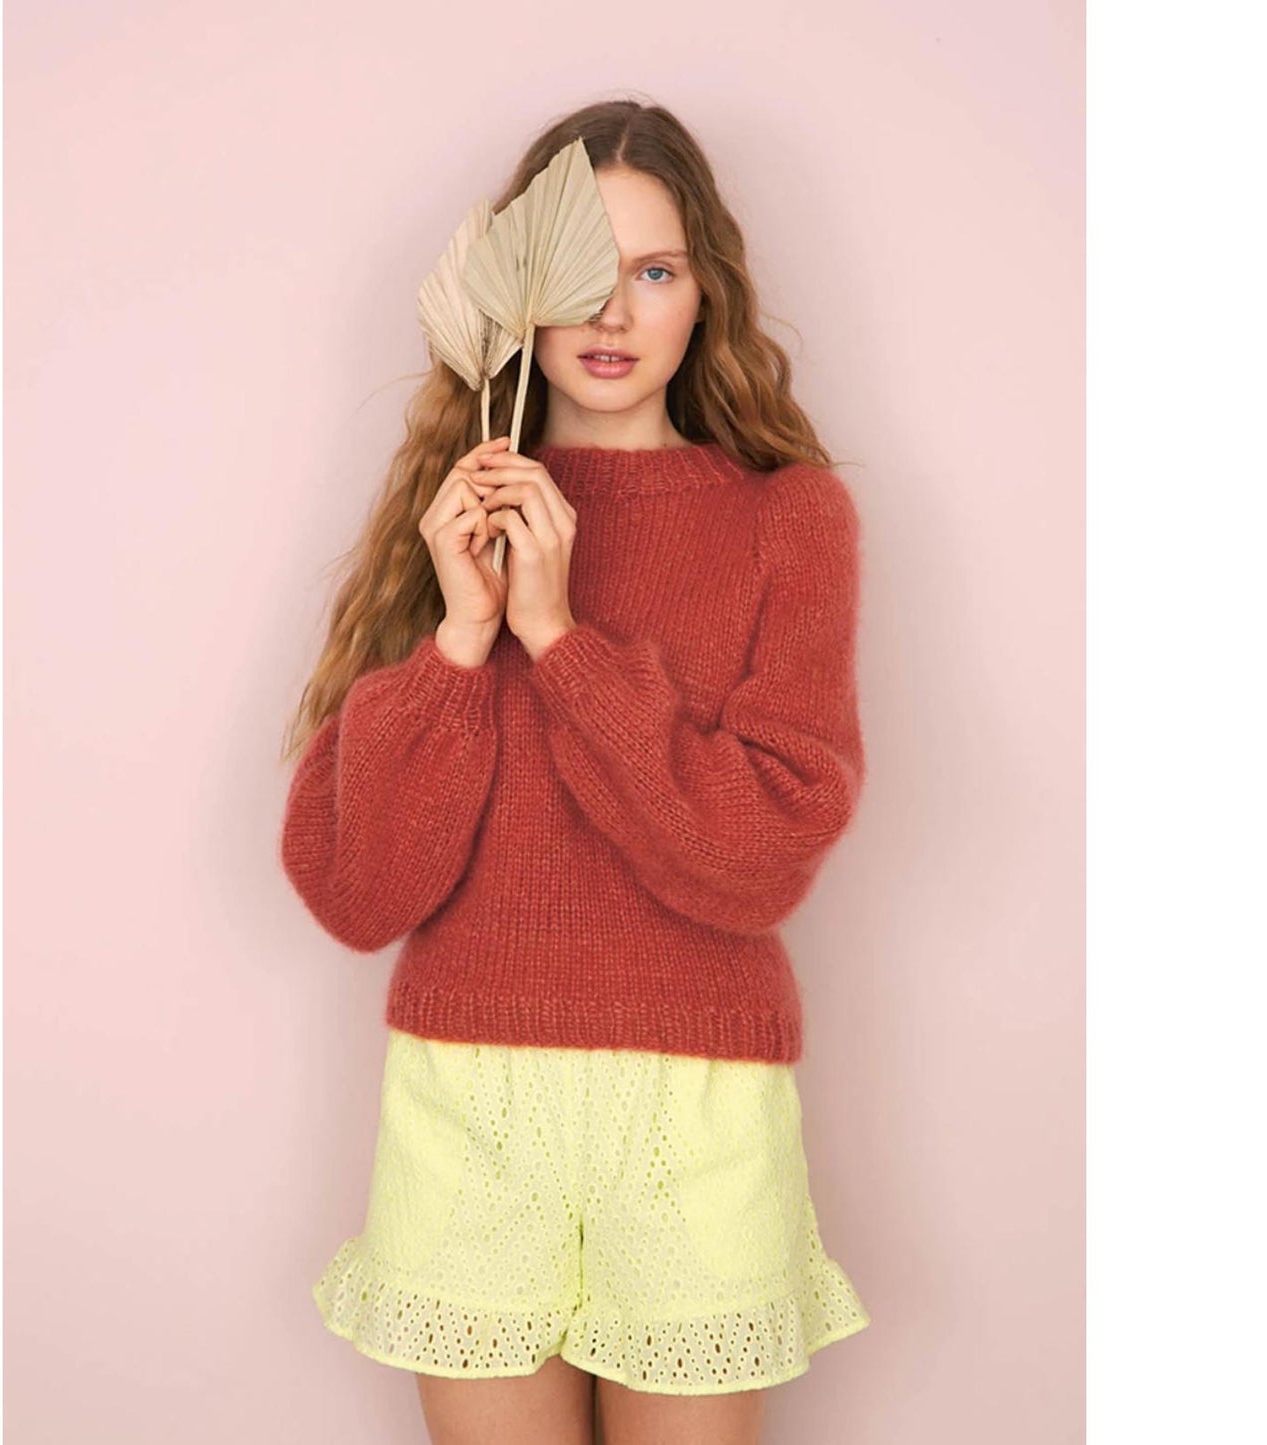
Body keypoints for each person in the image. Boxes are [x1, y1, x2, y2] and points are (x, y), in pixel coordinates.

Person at [278, 98, 871, 1445]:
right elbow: (360, 894)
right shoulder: (455, 516)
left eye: (653, 270)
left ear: (705, 294)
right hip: (469, 1092)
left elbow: (755, 862)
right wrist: (462, 636)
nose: (612, 312)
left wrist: (556, 638)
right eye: (578, 274)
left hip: (698, 1092)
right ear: (514, 293)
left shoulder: (790, 518)